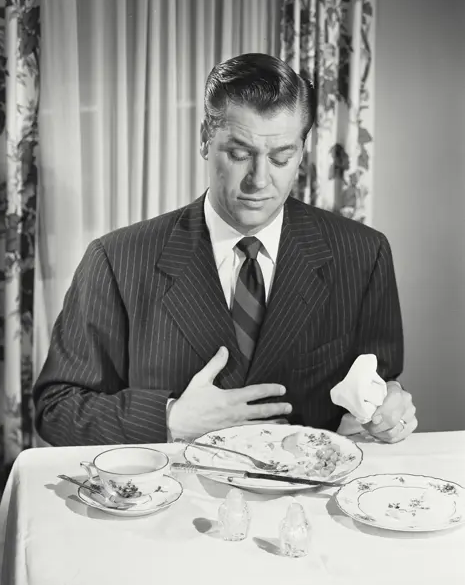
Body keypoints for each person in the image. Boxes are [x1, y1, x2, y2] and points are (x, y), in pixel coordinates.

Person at [33, 53, 417, 447]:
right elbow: (57, 408)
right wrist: (170, 419)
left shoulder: (363, 254)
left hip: (304, 504)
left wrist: (387, 408)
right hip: (173, 503)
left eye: (282, 157)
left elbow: (381, 386)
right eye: (239, 154)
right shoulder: (116, 260)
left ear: (302, 151)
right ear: (205, 139)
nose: (259, 180)